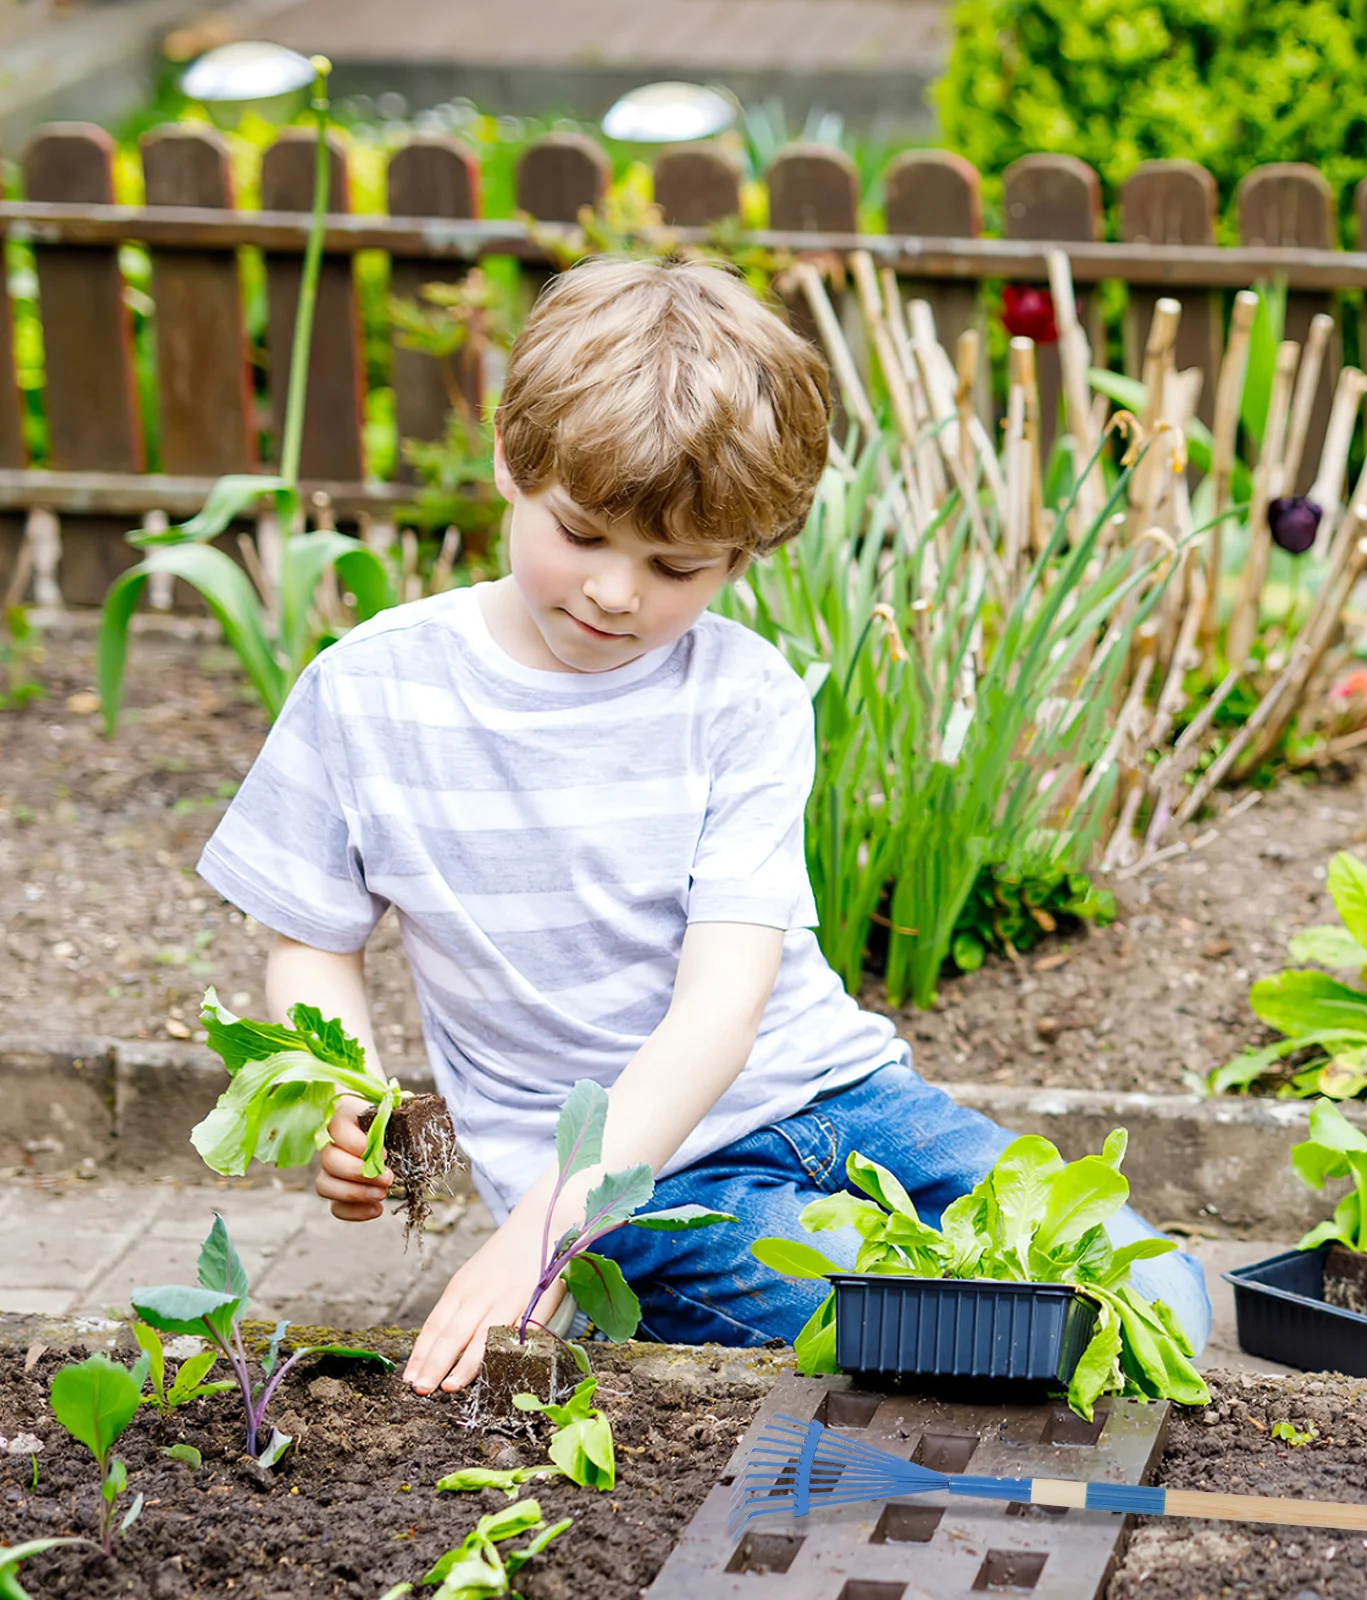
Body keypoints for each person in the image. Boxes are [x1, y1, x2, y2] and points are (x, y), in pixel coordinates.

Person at [197, 255, 1210, 1395]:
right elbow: (311, 937)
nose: (617, 593)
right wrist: (352, 1101)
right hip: (612, 1186)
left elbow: (721, 1014)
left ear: (742, 555)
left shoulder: (743, 696)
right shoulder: (369, 691)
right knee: (890, 1304)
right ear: (507, 461)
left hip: (836, 1101)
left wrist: (519, 1253)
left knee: (1154, 1292)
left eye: (676, 565)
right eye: (581, 535)